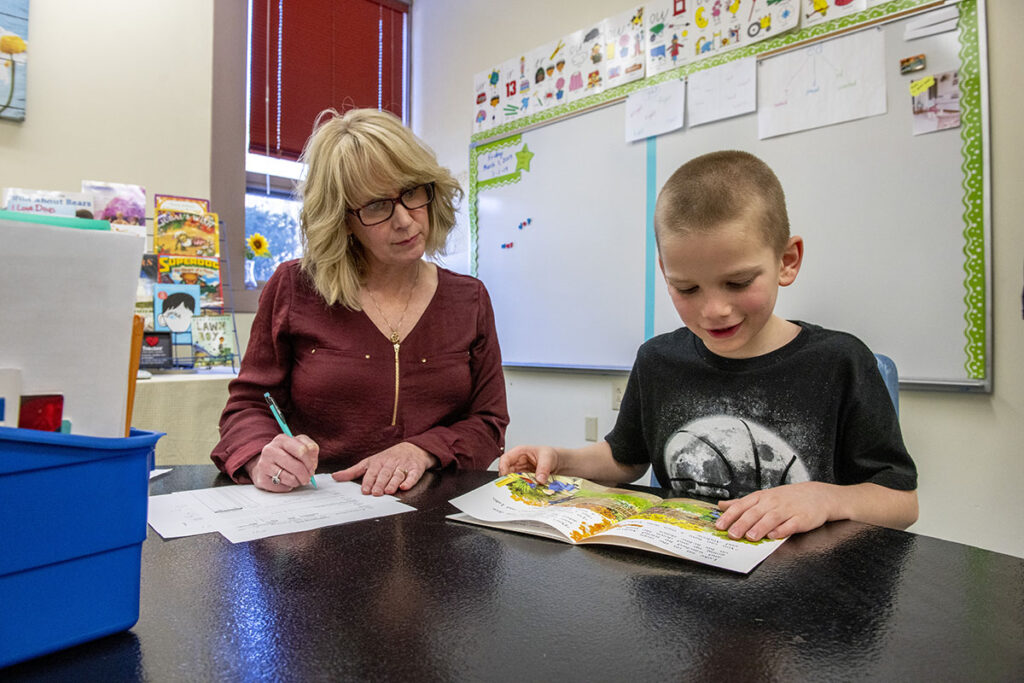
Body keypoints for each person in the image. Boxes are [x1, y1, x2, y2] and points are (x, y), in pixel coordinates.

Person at [500, 150, 918, 541]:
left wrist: (827, 498)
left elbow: (902, 502)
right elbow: (625, 458)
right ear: (665, 273)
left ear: (787, 261)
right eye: (687, 288)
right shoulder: (658, 360)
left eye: (738, 283)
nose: (714, 309)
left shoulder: (840, 362)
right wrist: (561, 459)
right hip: (680, 587)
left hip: (799, 590)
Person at [212, 108, 509, 496]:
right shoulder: (295, 286)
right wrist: (259, 455)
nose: (404, 220)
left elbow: (488, 421)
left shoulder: (469, 298)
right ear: (342, 221)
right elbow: (248, 407)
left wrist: (422, 450)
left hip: (438, 514)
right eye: (375, 206)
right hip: (319, 513)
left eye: (412, 193)